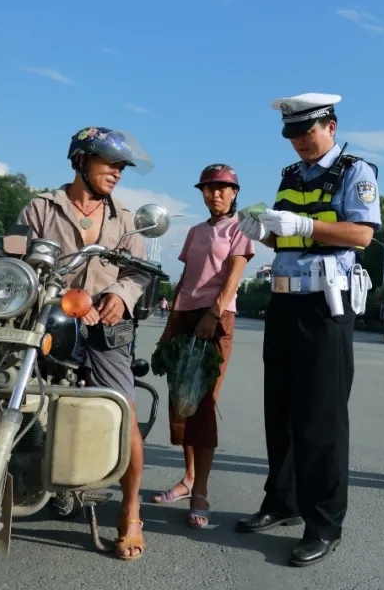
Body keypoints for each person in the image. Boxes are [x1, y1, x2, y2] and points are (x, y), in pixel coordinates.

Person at [0, 126, 156, 559]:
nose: (116, 172)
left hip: (103, 326)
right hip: (45, 316)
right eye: (108, 163)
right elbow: (12, 252)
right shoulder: (41, 207)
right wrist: (0, 253)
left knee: (125, 412)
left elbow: (138, 272)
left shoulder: (125, 219)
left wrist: (119, 294)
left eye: (121, 167)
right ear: (80, 161)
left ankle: (131, 510)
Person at [235, 92, 379, 567]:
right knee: (281, 411)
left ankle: (324, 523)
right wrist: (262, 231)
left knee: (321, 419)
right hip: (284, 300)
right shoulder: (291, 176)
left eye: (307, 132)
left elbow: (361, 234)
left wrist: (306, 224)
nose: (299, 142)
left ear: (331, 127)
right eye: (292, 134)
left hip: (325, 304)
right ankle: (282, 502)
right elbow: (283, 236)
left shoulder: (356, 172)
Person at [151, 163, 254, 528]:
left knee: (203, 403)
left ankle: (201, 492)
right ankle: (188, 478)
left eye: (223, 188)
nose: (216, 194)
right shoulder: (195, 231)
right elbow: (186, 279)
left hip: (215, 319)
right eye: (209, 188)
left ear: (234, 193)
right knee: (182, 402)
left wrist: (214, 313)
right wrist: (170, 326)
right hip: (185, 317)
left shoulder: (240, 227)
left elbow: (234, 276)